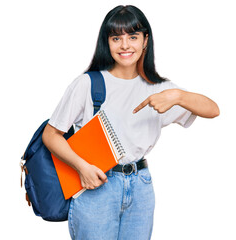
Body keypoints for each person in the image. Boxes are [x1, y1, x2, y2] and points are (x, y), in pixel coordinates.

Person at [42, 5, 219, 240]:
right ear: (107, 42)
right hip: (96, 185)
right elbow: (51, 134)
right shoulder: (88, 84)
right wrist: (81, 168)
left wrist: (178, 96)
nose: (125, 45)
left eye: (133, 37)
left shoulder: (160, 89)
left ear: (145, 40)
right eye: (116, 38)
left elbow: (213, 110)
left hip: (140, 186)